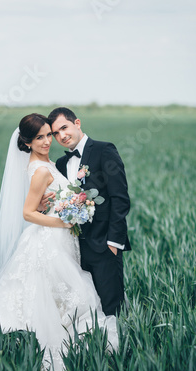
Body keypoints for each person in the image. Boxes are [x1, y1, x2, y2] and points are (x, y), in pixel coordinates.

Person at [0, 113, 118, 371]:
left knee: (59, 290)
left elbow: (44, 202)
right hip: (50, 238)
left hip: (56, 236)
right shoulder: (42, 169)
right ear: (27, 142)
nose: (47, 142)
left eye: (49, 134)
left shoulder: (44, 165)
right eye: (40, 137)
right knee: (59, 290)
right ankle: (55, 347)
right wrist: (64, 222)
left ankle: (63, 341)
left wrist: (67, 206)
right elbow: (28, 213)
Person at [44, 107, 131, 317]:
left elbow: (120, 199)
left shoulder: (104, 150)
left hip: (103, 246)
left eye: (64, 128)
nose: (61, 136)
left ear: (77, 123)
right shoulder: (62, 163)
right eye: (55, 133)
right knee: (86, 311)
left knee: (112, 309)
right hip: (73, 249)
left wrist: (113, 243)